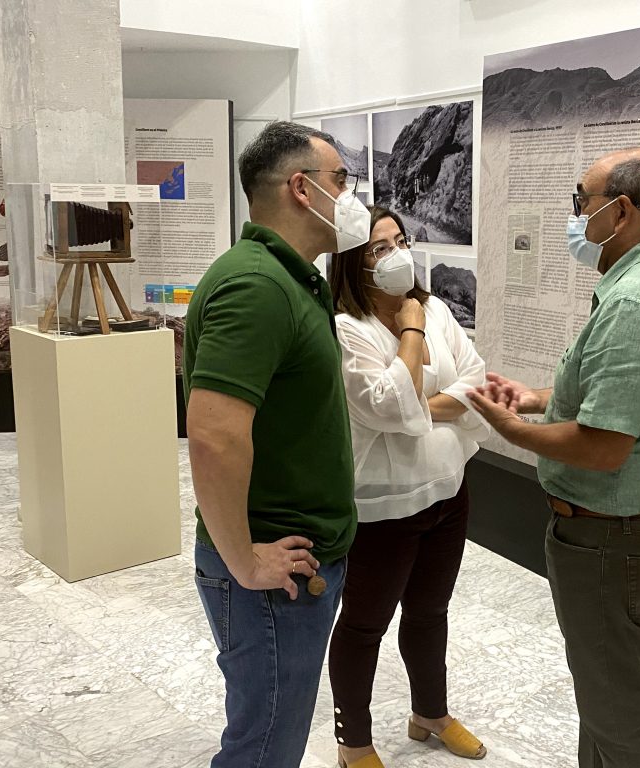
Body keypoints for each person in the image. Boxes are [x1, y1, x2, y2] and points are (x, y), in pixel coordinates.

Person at [467, 148, 640, 768]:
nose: (576, 216)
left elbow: (603, 447)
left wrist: (513, 430)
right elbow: (624, 398)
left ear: (621, 211)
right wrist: (538, 399)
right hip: (636, 530)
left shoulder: (635, 302)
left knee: (616, 711)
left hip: (613, 538)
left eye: (581, 201)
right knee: (606, 687)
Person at [183, 121, 366, 767]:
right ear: (301, 188)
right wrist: (245, 561)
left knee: (272, 735)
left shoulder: (291, 279)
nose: (351, 196)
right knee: (264, 748)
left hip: (298, 563)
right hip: (272, 578)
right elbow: (213, 437)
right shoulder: (257, 285)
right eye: (342, 180)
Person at [327, 206, 491, 768]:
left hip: (449, 491)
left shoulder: (436, 308)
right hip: (385, 507)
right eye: (380, 248)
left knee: (429, 612)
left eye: (400, 240)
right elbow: (387, 406)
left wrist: (419, 406)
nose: (397, 254)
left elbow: (475, 380)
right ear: (354, 262)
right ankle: (353, 741)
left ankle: (430, 714)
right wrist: (411, 330)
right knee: (364, 625)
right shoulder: (347, 329)